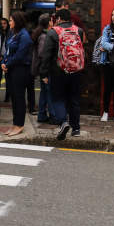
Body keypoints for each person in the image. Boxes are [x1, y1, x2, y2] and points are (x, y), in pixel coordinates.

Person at [39, 8, 86, 140]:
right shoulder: (79, 31)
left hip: (59, 71)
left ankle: (63, 122)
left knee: (58, 98)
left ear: (58, 19)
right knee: (74, 99)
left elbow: (47, 55)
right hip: (76, 70)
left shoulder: (53, 32)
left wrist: (44, 74)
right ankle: (76, 128)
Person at [1, 11, 33, 137]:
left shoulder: (24, 36)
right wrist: (4, 62)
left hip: (20, 70)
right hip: (11, 68)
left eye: (11, 20)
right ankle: (15, 123)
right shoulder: (14, 34)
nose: (9, 23)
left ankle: (20, 124)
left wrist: (7, 64)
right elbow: (8, 51)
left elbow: (20, 55)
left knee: (19, 98)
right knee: (14, 98)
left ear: (17, 21)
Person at [31, 13, 55, 124]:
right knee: (49, 91)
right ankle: (52, 115)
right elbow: (42, 53)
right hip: (46, 68)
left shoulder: (41, 34)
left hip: (42, 69)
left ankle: (42, 115)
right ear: (49, 22)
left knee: (44, 92)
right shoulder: (45, 36)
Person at [0, 17, 12, 103]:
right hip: (2, 57)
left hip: (7, 57)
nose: (3, 25)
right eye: (1, 23)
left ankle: (8, 95)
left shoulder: (10, 33)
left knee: (8, 79)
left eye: (5, 23)